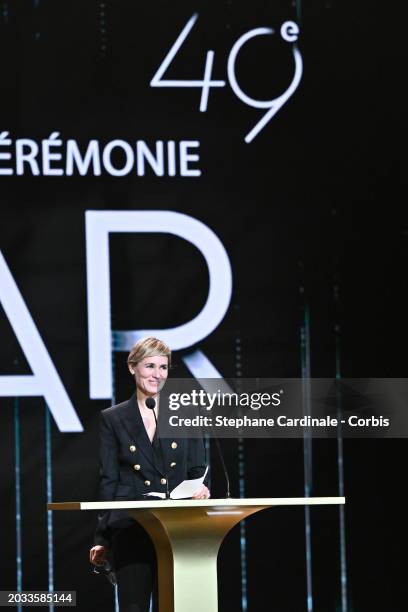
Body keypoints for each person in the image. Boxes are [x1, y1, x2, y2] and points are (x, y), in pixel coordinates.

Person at [89, 337, 210, 612]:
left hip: (178, 530)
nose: (157, 374)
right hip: (131, 529)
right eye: (149, 365)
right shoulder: (113, 418)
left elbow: (198, 471)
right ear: (132, 368)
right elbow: (109, 480)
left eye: (163, 367)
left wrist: (202, 490)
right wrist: (101, 539)